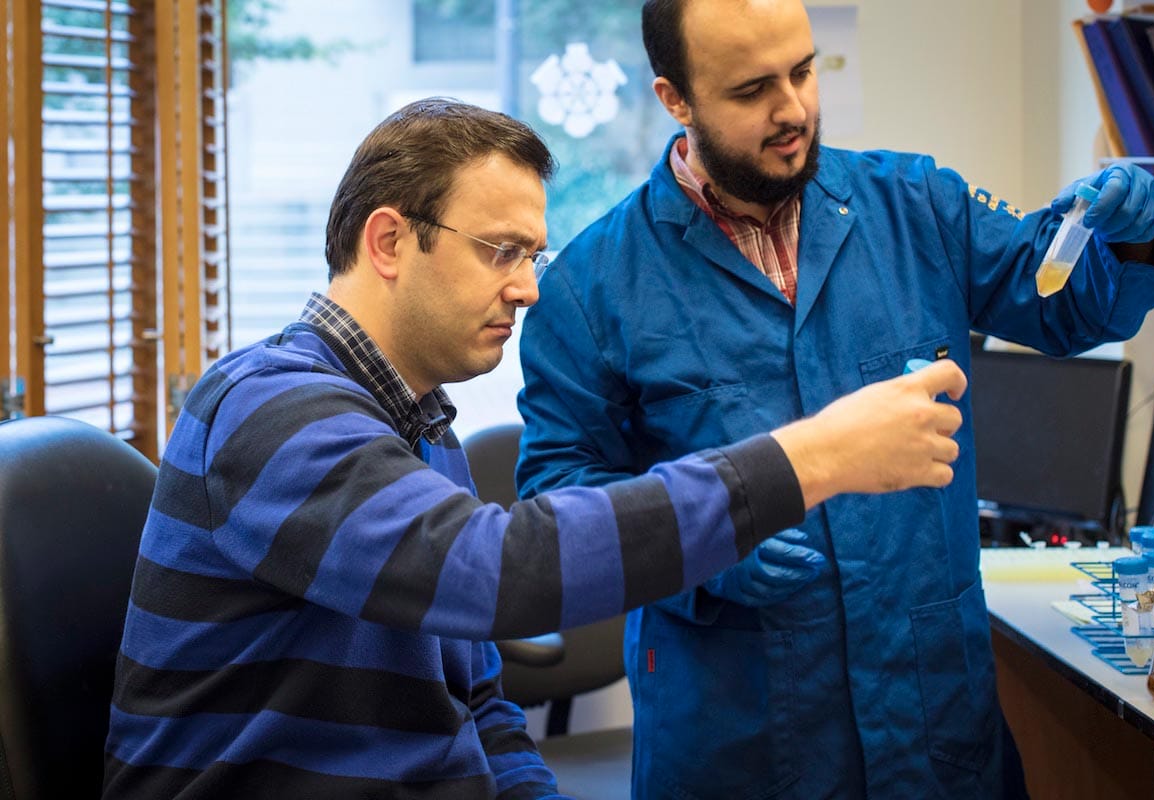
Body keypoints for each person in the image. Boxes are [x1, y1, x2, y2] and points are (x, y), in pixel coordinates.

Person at [100, 98, 972, 800]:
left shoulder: (419, 433)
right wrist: (805, 460)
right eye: (500, 252)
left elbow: (476, 702)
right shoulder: (269, 408)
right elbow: (495, 573)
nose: (526, 287)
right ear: (391, 241)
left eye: (533, 253)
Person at [514, 2, 1154, 798]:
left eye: (803, 71)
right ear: (676, 99)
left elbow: (1067, 305)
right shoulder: (592, 287)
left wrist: (1139, 234)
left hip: (935, 724)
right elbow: (558, 510)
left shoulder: (916, 206)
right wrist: (700, 550)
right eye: (752, 89)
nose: (793, 108)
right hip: (740, 739)